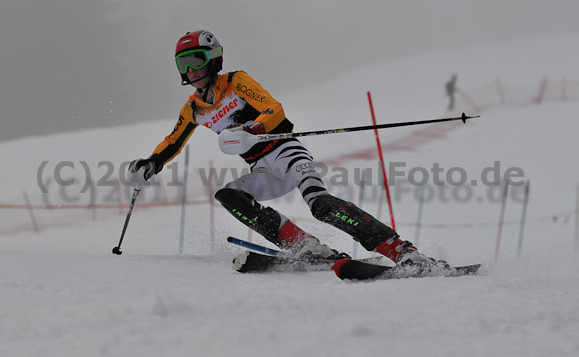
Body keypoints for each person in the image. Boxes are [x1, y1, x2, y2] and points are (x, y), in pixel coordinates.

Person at [129, 30, 438, 267]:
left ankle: (402, 252)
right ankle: (304, 245)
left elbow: (273, 109)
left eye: (196, 60)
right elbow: (173, 142)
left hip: (287, 152)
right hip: (262, 169)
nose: (191, 70)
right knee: (230, 195)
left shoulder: (236, 81)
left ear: (213, 58)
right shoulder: (193, 109)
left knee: (320, 205)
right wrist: (151, 163)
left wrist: (252, 128)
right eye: (183, 64)